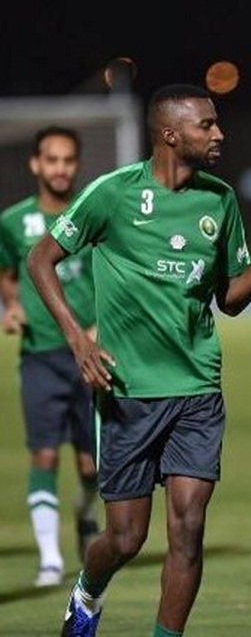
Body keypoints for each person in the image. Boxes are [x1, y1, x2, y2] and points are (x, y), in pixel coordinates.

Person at [27, 83, 251, 637]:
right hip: (127, 391)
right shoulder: (113, 194)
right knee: (126, 538)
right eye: (207, 124)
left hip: (196, 389)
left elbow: (230, 300)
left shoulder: (219, 199)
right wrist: (77, 339)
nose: (219, 133)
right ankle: (87, 593)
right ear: (170, 134)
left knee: (188, 530)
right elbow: (42, 259)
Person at [0, 126, 100, 588]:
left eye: (67, 160)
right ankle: (50, 560)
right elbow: (7, 272)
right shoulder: (13, 222)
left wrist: (102, 326)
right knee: (43, 455)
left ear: (76, 165)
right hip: (39, 354)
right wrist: (12, 305)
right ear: (36, 164)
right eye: (51, 159)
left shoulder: (94, 214)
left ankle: (85, 514)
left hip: (90, 355)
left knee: (91, 466)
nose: (60, 168)